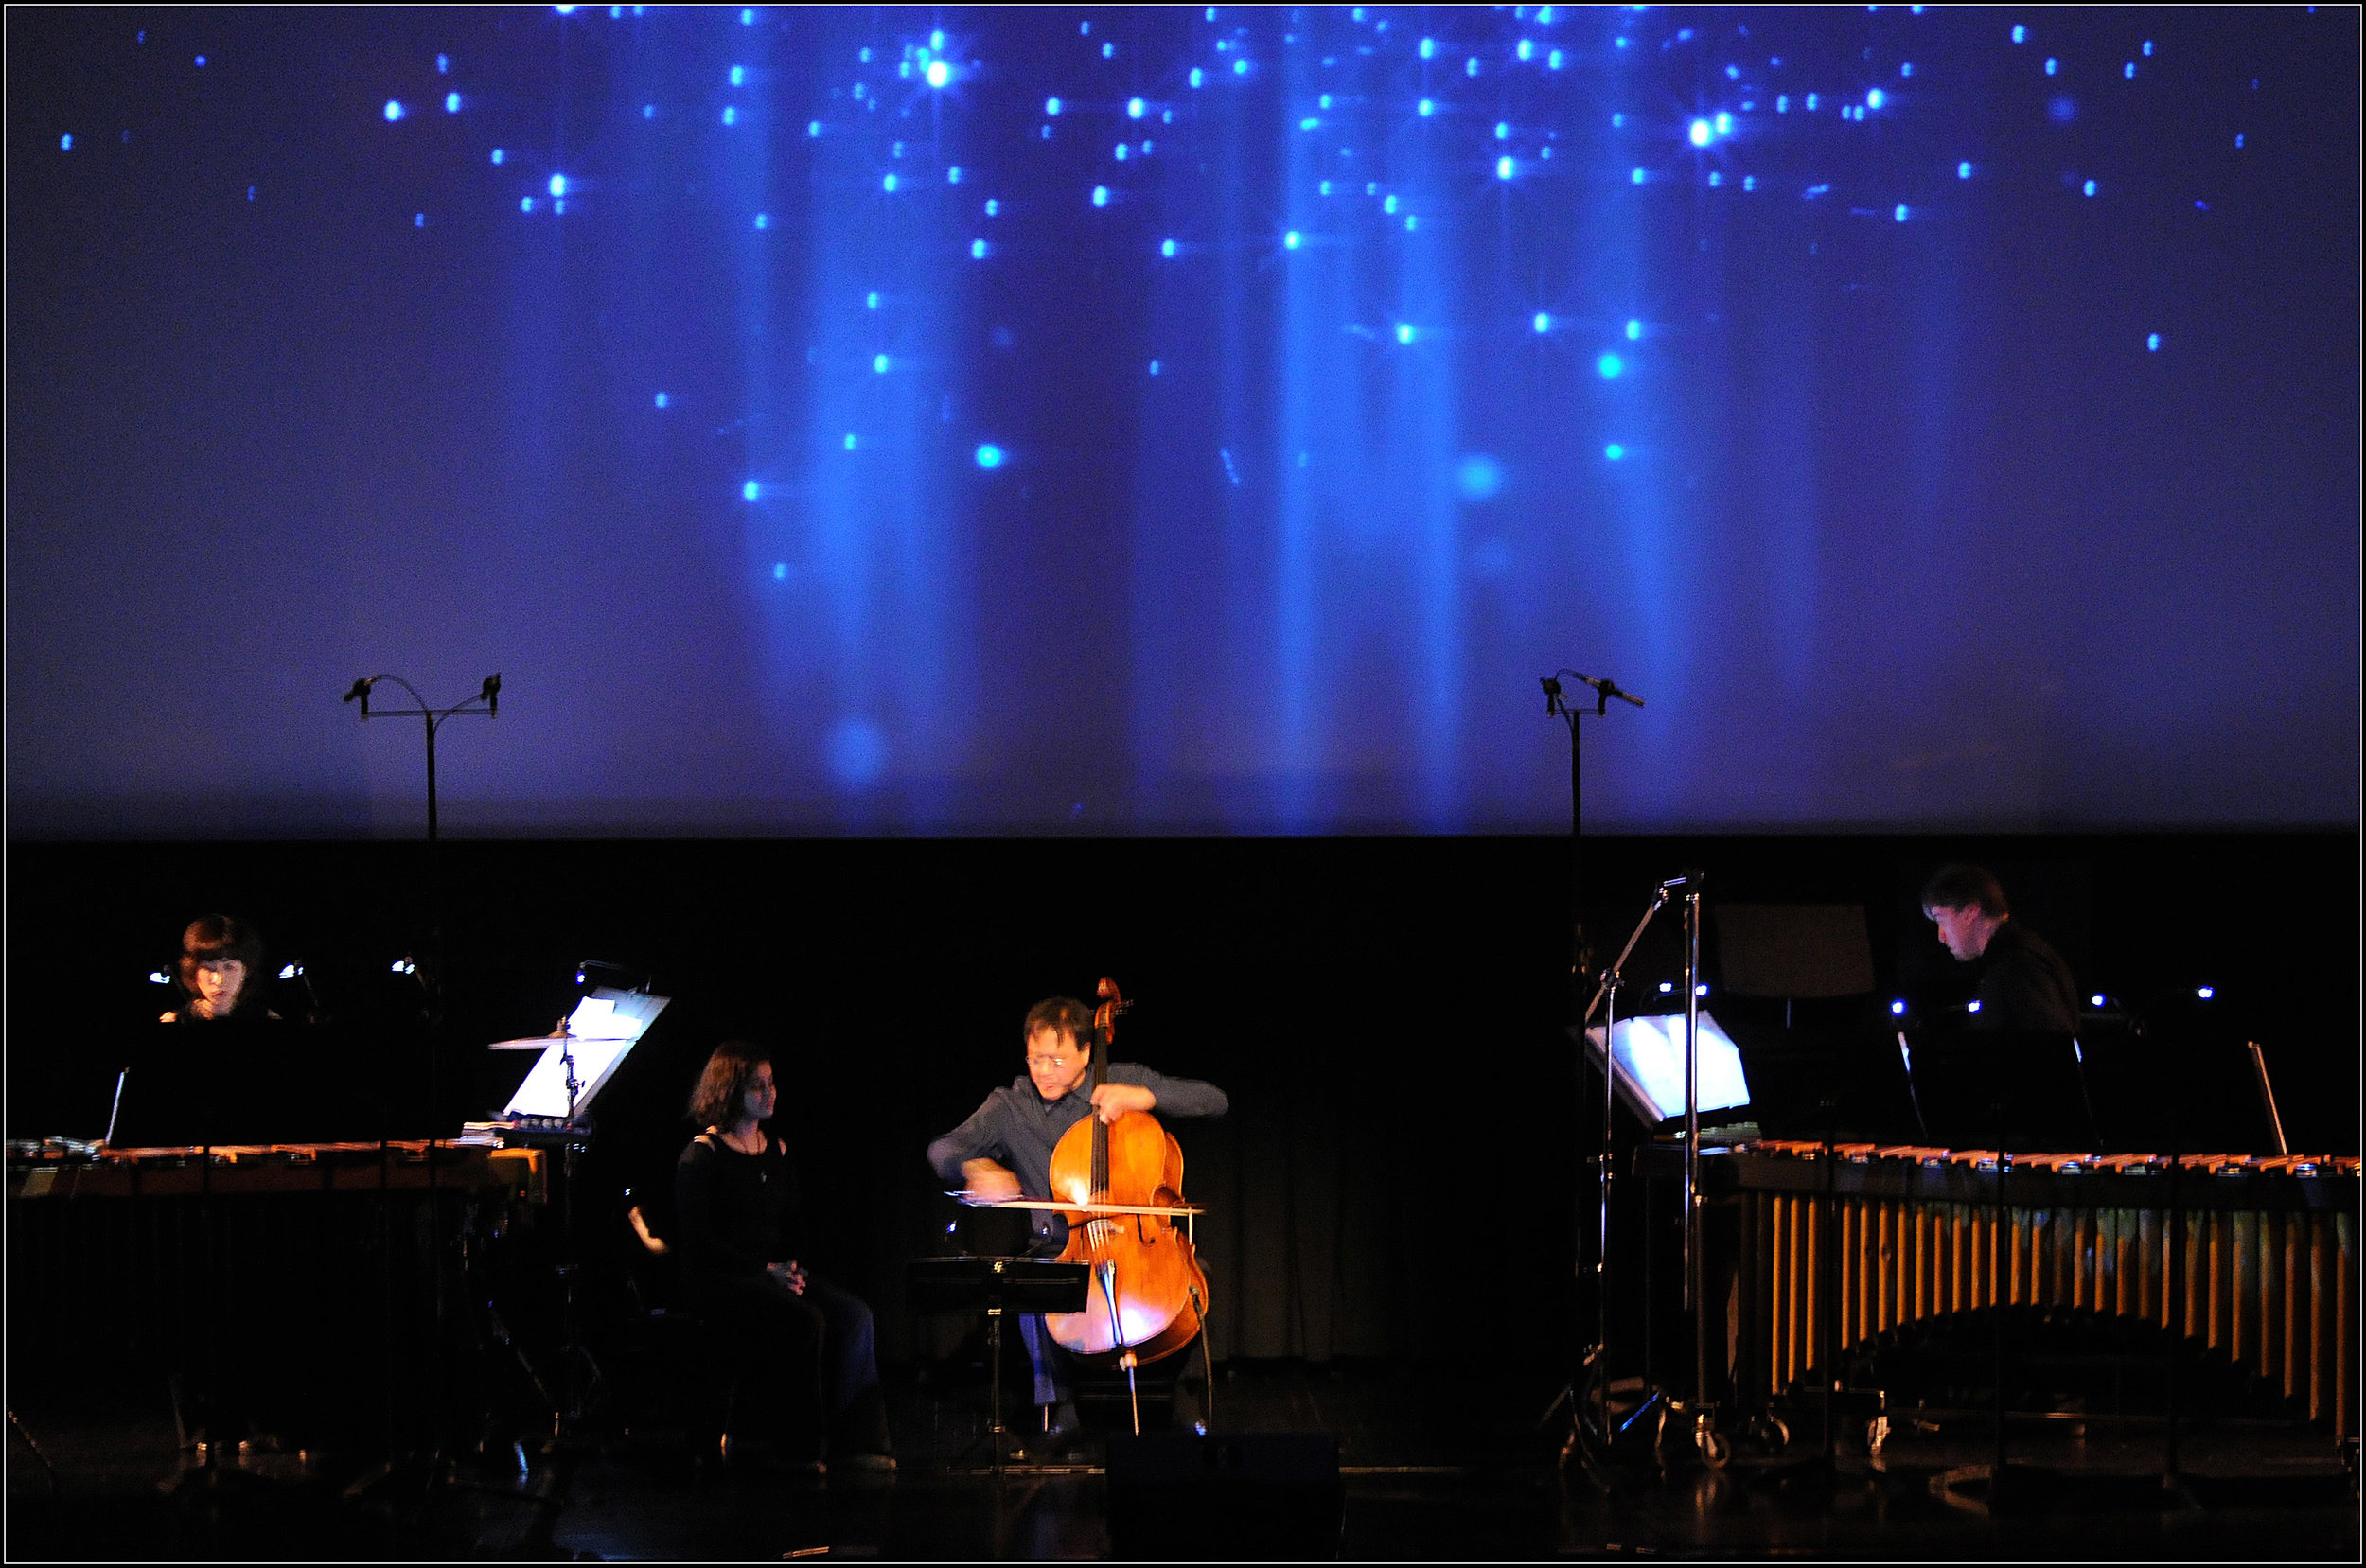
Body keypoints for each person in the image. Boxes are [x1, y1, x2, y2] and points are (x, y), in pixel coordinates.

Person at [926, 996, 1228, 1440]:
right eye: (1035, 1059)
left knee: (1192, 1281)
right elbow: (942, 1149)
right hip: (1061, 1248)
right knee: (1033, 1287)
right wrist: (974, 1166)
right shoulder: (1010, 1106)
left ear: (1087, 1053)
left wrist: (1145, 1095)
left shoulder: (1121, 1082)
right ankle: (1058, 1411)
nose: (1044, 1071)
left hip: (1139, 1242)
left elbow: (1215, 1100)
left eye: (1056, 1059)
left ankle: (1181, 1395)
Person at [674, 1041, 893, 1472]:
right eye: (758, 1086)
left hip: (773, 1275)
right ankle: (799, 1445)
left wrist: (791, 1271)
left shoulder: (778, 1152)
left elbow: (795, 1228)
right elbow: (699, 1241)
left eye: (771, 1083)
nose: (770, 1093)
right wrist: (764, 1272)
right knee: (803, 1320)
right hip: (725, 1278)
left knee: (855, 1315)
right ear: (730, 1092)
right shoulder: (703, 1156)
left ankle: (857, 1441)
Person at [1920, 864, 2080, 1033]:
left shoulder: (2018, 964)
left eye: (1941, 919)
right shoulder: (2015, 958)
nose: (1941, 936)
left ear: (1971, 911)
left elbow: (2052, 1048)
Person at [158, 914, 276, 1024]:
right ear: (193, 972)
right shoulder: (176, 1020)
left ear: (245, 971)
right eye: (209, 968)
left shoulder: (266, 1016)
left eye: (229, 967)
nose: (219, 981)